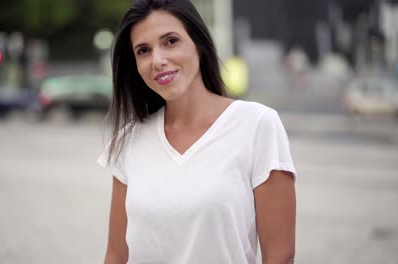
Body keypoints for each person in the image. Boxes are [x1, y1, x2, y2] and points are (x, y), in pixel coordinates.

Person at [97, 0, 296, 263]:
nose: (157, 60)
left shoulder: (257, 125)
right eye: (143, 50)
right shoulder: (128, 140)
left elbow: (279, 256)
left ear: (199, 45)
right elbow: (116, 256)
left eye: (170, 41)